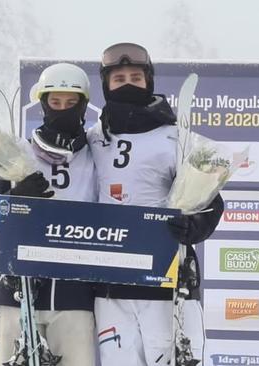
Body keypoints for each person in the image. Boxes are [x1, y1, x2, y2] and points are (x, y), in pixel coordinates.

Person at [87, 42, 224, 366]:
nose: (128, 84)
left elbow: (210, 200)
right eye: (119, 79)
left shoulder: (176, 137)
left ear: (149, 80)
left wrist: (194, 225)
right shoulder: (94, 138)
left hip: (166, 278)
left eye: (136, 77)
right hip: (110, 283)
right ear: (106, 85)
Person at [0, 63, 97, 366]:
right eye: (55, 102)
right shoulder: (17, 152)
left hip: (75, 295)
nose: (63, 109)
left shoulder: (98, 155)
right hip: (18, 289)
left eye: (71, 103)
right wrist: (15, 198)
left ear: (83, 105)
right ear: (44, 104)